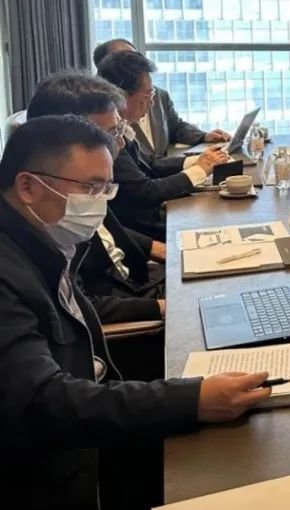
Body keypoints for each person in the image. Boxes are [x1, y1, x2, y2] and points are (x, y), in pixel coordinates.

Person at [0, 116, 271, 510]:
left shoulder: (46, 240)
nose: (100, 203)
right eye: (91, 188)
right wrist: (191, 400)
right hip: (55, 474)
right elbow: (44, 402)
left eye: (106, 188)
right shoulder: (9, 270)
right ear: (27, 186)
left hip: (91, 423)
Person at [26, 73, 166, 323]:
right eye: (111, 133)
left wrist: (168, 250)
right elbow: (82, 306)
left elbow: (106, 231)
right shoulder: (55, 207)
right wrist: (168, 307)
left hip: (137, 283)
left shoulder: (86, 179)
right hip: (133, 319)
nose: (120, 144)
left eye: (119, 129)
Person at [98, 51, 227, 239]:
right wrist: (199, 170)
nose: (152, 103)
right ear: (121, 96)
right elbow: (145, 191)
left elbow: (150, 163)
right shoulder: (107, 138)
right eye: (148, 95)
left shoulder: (123, 129)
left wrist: (200, 161)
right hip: (144, 232)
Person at [93, 38, 231, 157]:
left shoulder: (159, 95)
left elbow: (176, 127)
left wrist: (203, 136)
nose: (133, 63)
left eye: (134, 57)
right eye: (123, 60)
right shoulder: (105, 118)